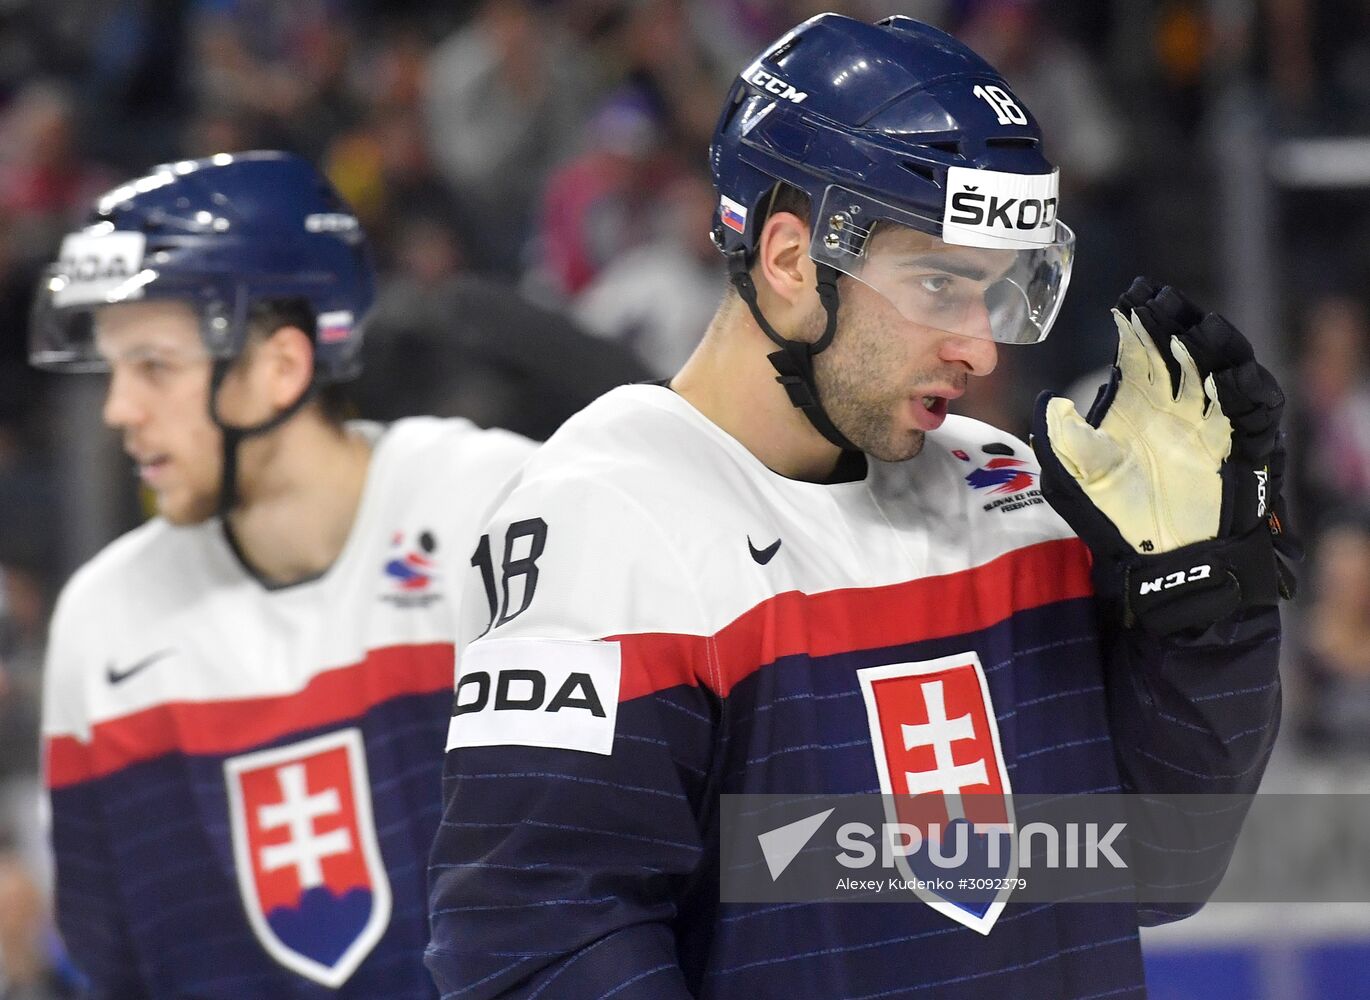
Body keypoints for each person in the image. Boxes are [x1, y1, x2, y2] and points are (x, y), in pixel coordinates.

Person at [426, 13, 1299, 999]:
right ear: (790, 258)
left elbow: (1156, 864)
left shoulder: (1007, 487)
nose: (979, 348)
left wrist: (1201, 608)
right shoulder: (603, 520)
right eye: (939, 284)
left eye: (996, 292)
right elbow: (535, 944)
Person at [31, 151, 534, 998]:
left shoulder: (493, 505)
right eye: (115, 370)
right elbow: (110, 965)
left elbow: (670, 838)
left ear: (282, 367)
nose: (120, 408)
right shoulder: (102, 618)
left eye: (153, 365)